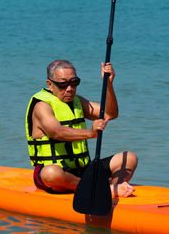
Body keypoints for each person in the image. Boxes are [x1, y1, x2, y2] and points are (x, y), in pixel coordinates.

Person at [26, 60, 138, 197]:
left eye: (74, 83)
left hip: (83, 171)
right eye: (62, 84)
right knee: (50, 174)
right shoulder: (41, 106)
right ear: (50, 84)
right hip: (58, 174)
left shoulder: (77, 102)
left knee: (129, 158)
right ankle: (100, 189)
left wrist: (108, 84)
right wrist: (90, 133)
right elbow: (56, 132)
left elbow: (110, 114)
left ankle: (114, 188)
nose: (69, 88)